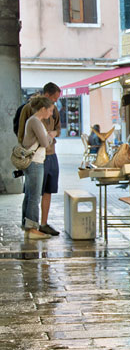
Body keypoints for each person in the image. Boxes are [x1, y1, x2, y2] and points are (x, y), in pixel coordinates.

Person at [17, 82, 62, 236]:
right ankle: (32, 227)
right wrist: (46, 139)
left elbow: (58, 129)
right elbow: (21, 132)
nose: (53, 109)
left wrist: (53, 135)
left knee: (46, 190)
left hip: (49, 155)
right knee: (33, 193)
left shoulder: (52, 111)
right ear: (47, 96)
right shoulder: (30, 112)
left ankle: (41, 224)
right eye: (53, 101)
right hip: (35, 158)